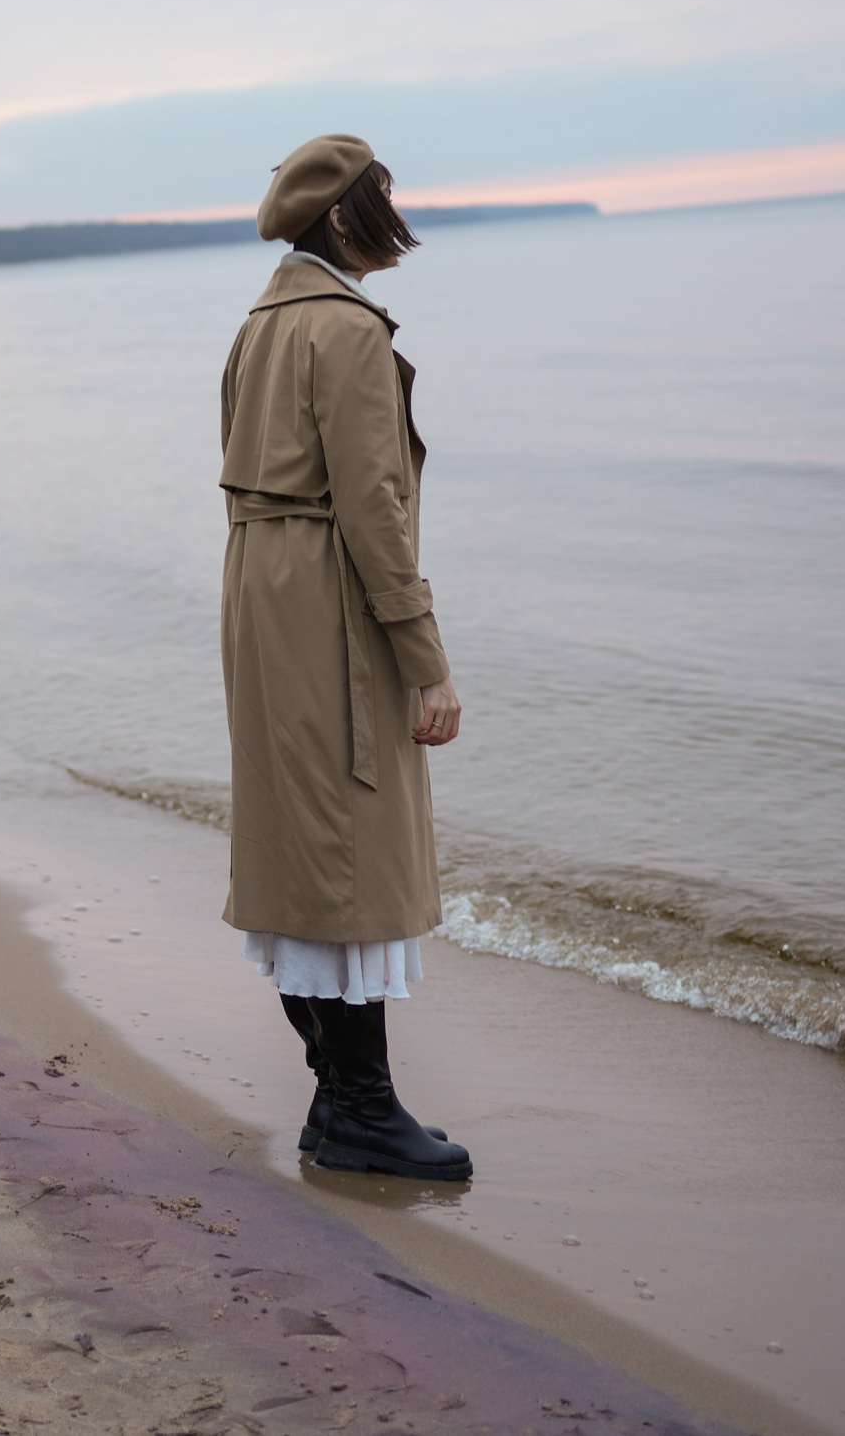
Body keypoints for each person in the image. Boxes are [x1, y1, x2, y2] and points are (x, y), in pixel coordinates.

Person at [220, 135, 473, 1181]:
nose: (394, 216)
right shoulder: (343, 331)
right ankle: (361, 1107)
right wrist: (426, 658)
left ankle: (336, 1101)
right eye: (382, 199)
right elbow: (371, 509)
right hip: (325, 596)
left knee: (297, 833)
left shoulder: (259, 326)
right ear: (340, 217)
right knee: (350, 843)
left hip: (258, 590)